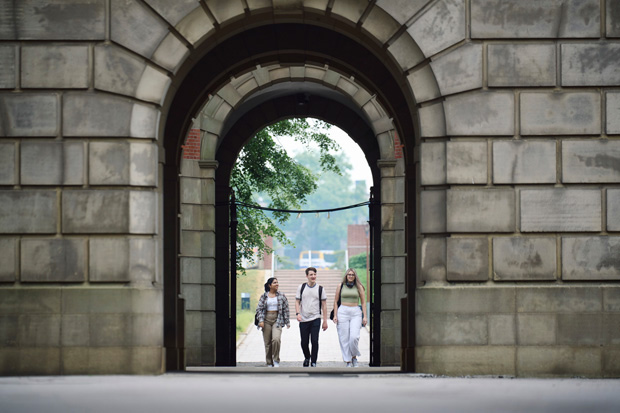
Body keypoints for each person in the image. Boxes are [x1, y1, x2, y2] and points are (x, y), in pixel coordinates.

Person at [332, 268, 367, 367]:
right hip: (343, 311)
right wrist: (335, 315)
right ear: (346, 276)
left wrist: (365, 316)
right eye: (349, 275)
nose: (350, 276)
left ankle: (354, 356)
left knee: (354, 337)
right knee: (344, 337)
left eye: (352, 275)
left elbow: (363, 303)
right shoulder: (341, 286)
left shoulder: (359, 286)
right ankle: (348, 360)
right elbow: (335, 301)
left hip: (355, 312)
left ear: (355, 276)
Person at [295, 267, 328, 367]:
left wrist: (325, 321)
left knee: (314, 341)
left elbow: (324, 305)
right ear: (307, 276)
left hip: (315, 318)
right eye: (311, 275)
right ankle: (307, 357)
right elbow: (297, 301)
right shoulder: (301, 287)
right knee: (304, 342)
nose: (313, 276)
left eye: (314, 274)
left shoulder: (320, 289)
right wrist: (298, 313)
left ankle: (313, 361)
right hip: (304, 319)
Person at [256, 277, 290, 367]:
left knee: (276, 339)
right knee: (267, 343)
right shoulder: (264, 296)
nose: (277, 284)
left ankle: (276, 360)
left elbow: (286, 309)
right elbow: (259, 309)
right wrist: (261, 320)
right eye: (275, 283)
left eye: (277, 282)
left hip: (277, 319)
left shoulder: (281, 296)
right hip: (266, 319)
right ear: (269, 285)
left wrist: (287, 322)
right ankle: (269, 362)